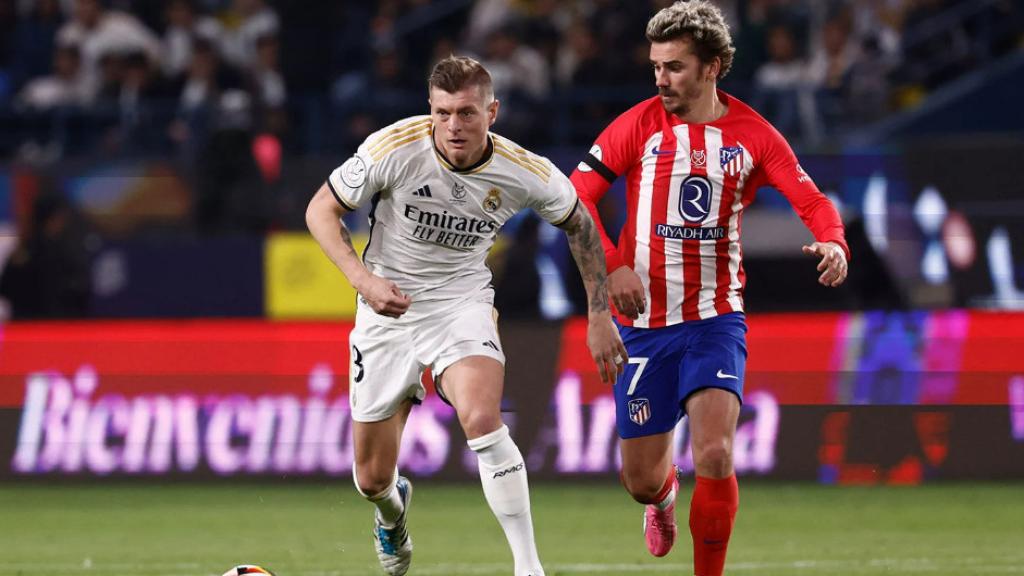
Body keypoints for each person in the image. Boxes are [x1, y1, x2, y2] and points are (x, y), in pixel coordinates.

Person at [305, 55, 625, 576]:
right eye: (443, 112)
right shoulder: (394, 148)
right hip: (386, 308)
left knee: (481, 419)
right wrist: (363, 281)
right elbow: (321, 209)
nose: (453, 125)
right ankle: (392, 513)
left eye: (467, 113)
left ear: (492, 113)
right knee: (371, 479)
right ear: (430, 109)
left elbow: (580, 224)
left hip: (461, 303)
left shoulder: (524, 171)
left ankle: (528, 566)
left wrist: (598, 314)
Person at [569, 3, 850, 575]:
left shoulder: (753, 135)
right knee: (640, 481)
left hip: (714, 318)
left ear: (712, 67)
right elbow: (577, 196)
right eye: (656, 66)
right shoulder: (638, 125)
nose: (661, 79)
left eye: (674, 67)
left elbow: (812, 201)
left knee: (717, 453)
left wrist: (834, 242)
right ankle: (663, 497)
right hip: (643, 325)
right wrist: (615, 266)